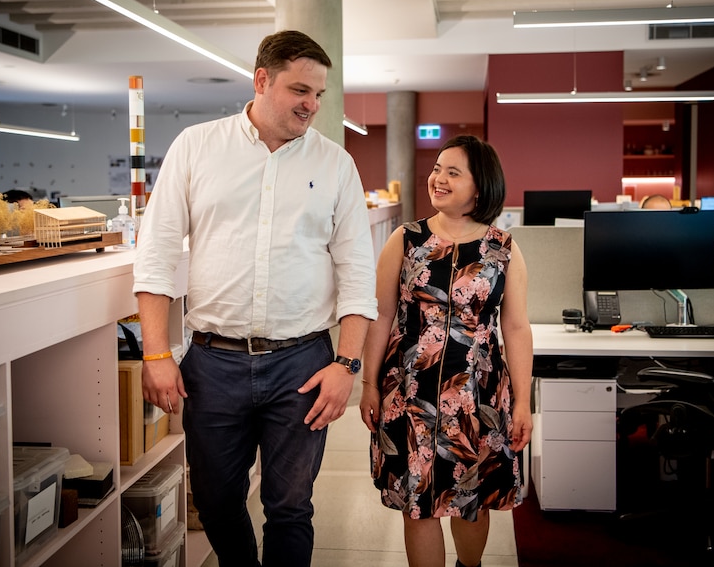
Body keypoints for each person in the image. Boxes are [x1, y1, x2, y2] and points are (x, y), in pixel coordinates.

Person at [132, 30, 377, 567]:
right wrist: (155, 353)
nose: (311, 105)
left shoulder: (336, 165)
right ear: (262, 80)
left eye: (318, 94)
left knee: (290, 506)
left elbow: (357, 272)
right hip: (213, 363)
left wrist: (348, 364)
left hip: (304, 363)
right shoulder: (196, 148)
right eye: (299, 90)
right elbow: (156, 255)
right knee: (217, 502)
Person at [359, 135, 533, 567]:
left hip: (479, 395)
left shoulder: (503, 248)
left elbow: (515, 326)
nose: (438, 178)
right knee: (417, 504)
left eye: (452, 172)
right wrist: (368, 384)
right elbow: (380, 317)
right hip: (409, 393)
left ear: (480, 186)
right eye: (437, 169)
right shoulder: (406, 239)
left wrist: (525, 403)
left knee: (470, 500)